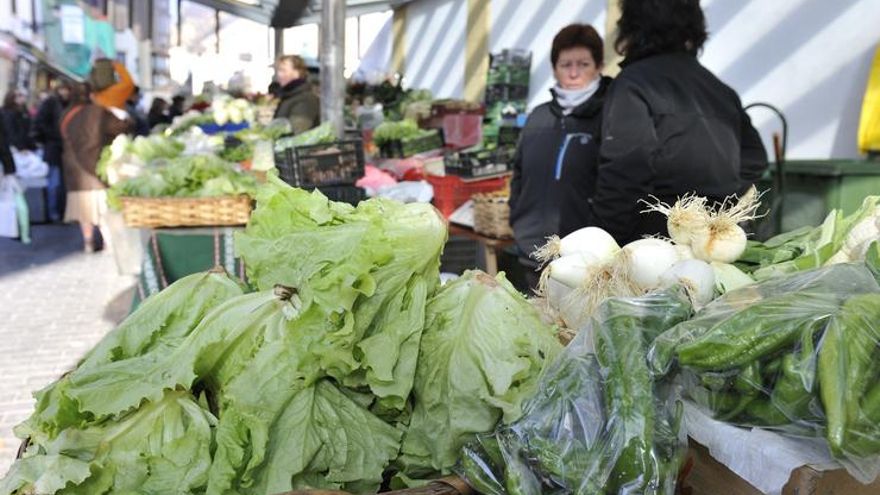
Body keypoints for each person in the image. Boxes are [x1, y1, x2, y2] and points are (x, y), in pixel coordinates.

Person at [588, 0, 769, 244]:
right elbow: (755, 157)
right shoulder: (719, 89)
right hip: (713, 242)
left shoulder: (632, 84)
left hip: (654, 246)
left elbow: (624, 173)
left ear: (632, 26)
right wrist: (719, 199)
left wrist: (604, 246)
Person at [508, 24, 613, 289]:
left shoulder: (610, 116)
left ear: (599, 66)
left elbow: (618, 181)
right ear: (555, 68)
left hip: (586, 260)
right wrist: (518, 219)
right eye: (566, 64)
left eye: (583, 63)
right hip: (532, 251)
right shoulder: (538, 116)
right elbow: (518, 173)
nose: (574, 72)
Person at [60, 83, 132, 252]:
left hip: (74, 168)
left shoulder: (65, 114)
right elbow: (122, 126)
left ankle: (88, 241)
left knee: (82, 206)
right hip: (95, 164)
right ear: (92, 95)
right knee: (103, 208)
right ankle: (109, 243)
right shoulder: (98, 112)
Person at [32, 81, 72, 222]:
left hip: (64, 149)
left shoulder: (69, 104)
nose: (65, 93)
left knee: (62, 184)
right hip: (54, 148)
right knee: (54, 183)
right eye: (63, 89)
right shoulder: (51, 103)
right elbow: (40, 123)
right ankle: (53, 213)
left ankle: (61, 212)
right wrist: (53, 136)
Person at [273, 55, 320, 134]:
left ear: (297, 72)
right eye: (278, 70)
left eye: (283, 70)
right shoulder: (290, 95)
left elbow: (297, 132)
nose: (279, 74)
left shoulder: (306, 99)